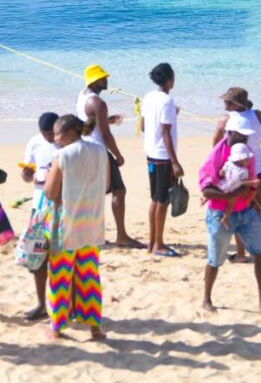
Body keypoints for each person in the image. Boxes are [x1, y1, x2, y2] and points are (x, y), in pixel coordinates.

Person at [199, 116, 261, 314]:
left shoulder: (246, 152)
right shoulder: (215, 157)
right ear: (230, 133)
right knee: (215, 259)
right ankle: (206, 299)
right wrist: (232, 194)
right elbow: (206, 191)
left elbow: (253, 181)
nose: (244, 138)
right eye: (241, 135)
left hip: (247, 211)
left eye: (246, 135)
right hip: (220, 214)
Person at [44, 114, 109, 341]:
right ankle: (94, 328)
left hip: (67, 224)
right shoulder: (100, 151)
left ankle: (57, 327)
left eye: (57, 133)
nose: (55, 138)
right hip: (92, 223)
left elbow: (51, 193)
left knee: (60, 279)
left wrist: (49, 175)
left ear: (69, 133)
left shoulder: (62, 156)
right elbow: (107, 184)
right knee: (90, 278)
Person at [77, 64, 143, 250]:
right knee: (118, 191)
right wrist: (118, 155)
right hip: (98, 151)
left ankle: (90, 235)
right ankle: (121, 236)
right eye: (102, 78)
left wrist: (109, 120)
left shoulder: (82, 96)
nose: (106, 80)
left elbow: (88, 122)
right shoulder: (98, 103)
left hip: (85, 149)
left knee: (94, 194)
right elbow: (106, 136)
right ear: (95, 81)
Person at [212, 87, 261, 263]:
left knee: (239, 210)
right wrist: (256, 141)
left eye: (227, 101)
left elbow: (216, 144)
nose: (224, 103)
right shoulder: (259, 115)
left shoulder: (227, 120)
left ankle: (241, 253)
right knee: (259, 209)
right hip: (258, 170)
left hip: (237, 173)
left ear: (236, 104)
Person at [140, 63, 185, 257]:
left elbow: (143, 126)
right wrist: (175, 162)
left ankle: (153, 242)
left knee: (156, 199)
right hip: (162, 156)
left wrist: (172, 115)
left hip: (151, 153)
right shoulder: (167, 101)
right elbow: (166, 133)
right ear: (169, 80)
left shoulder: (148, 97)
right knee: (163, 201)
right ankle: (158, 244)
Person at [21, 112, 59, 321]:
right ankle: (41, 304)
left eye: (50, 134)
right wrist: (27, 174)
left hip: (61, 207)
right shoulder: (34, 143)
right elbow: (27, 173)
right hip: (39, 205)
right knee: (38, 257)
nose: (48, 138)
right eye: (44, 134)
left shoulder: (65, 144)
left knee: (60, 257)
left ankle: (63, 303)